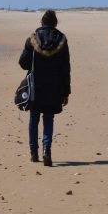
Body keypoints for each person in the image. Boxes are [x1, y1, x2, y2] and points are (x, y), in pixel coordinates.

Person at [18, 9, 71, 166]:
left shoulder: (32, 39)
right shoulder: (62, 40)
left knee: (33, 119)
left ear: (41, 22)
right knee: (48, 118)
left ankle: (34, 153)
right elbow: (65, 68)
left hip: (35, 86)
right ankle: (46, 150)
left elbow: (23, 63)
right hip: (54, 87)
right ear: (55, 23)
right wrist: (66, 92)